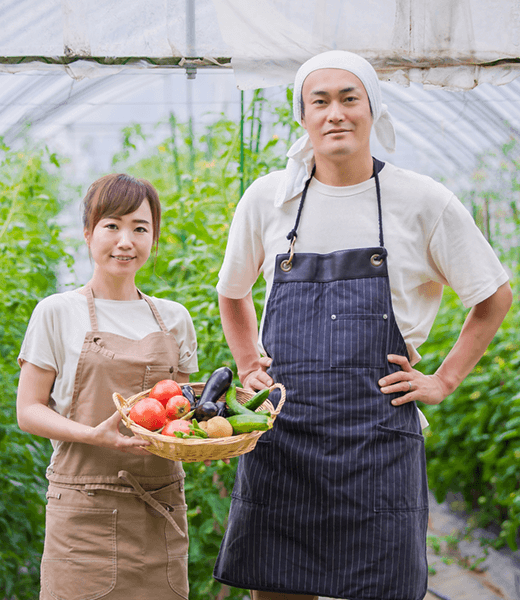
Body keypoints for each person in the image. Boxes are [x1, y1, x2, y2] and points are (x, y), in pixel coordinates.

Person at [212, 51, 512, 600]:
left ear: (374, 109)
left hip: (376, 438)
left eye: (350, 99)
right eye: (319, 101)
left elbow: (493, 297)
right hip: (286, 436)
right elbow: (232, 293)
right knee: (277, 588)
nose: (336, 114)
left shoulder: (421, 200)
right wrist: (249, 363)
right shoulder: (268, 199)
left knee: (383, 589)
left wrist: (442, 380)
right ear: (301, 116)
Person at [16, 173, 198, 600]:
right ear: (88, 233)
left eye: (140, 228)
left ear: (154, 236)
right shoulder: (58, 312)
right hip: (84, 510)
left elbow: (180, 414)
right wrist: (93, 435)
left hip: (159, 507)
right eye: (111, 225)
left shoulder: (174, 318)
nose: (125, 240)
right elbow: (29, 411)